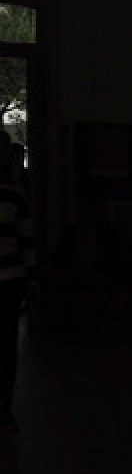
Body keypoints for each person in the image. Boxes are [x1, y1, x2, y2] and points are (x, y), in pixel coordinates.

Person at [0, 133, 34, 434]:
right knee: (7, 346)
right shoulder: (15, 196)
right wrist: (31, 276)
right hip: (10, 278)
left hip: (10, 277)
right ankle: (3, 409)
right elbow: (25, 240)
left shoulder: (15, 196)